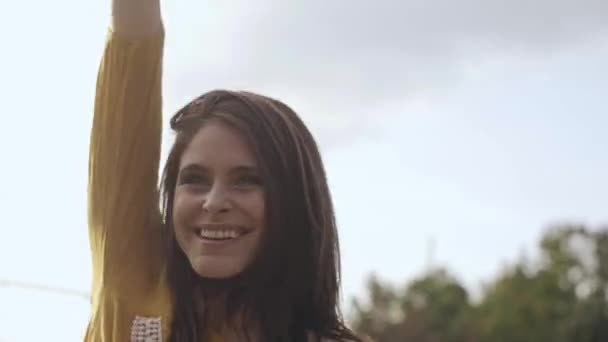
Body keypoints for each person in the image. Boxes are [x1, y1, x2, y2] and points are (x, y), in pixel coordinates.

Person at [85, 0, 363, 341]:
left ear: (294, 201)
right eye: (195, 180)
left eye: (247, 181)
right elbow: (132, 48)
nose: (214, 202)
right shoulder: (133, 273)